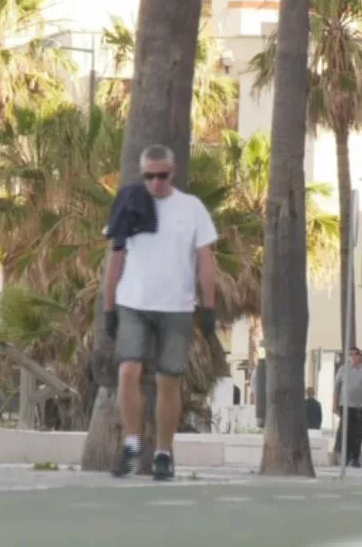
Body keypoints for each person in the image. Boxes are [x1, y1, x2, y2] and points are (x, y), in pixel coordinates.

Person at [104, 145, 219, 480]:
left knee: (170, 379)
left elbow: (206, 259)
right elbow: (116, 256)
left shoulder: (191, 208)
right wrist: (108, 306)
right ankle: (132, 444)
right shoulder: (130, 202)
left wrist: (208, 305)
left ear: (173, 173)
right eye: (149, 176)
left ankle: (164, 454)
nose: (155, 182)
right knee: (128, 371)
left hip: (177, 307)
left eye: (162, 175)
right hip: (133, 303)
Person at [333, 347, 362, 468]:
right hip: (346, 405)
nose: (353, 357)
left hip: (361, 406)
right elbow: (336, 388)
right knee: (346, 432)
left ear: (360, 356)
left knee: (358, 433)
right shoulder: (343, 369)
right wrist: (335, 404)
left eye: (356, 354)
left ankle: (355, 458)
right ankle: (345, 457)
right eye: (351, 354)